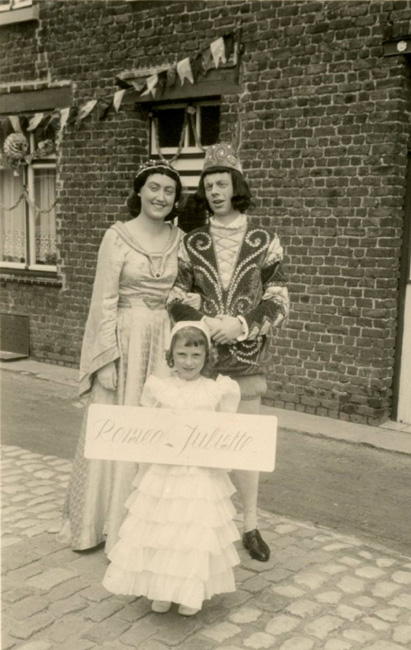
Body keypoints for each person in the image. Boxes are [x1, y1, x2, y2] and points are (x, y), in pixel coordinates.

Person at [59, 159, 199, 553]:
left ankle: (145, 530)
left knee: (154, 428)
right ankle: (97, 527)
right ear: (139, 191)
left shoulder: (181, 239)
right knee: (113, 429)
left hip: (163, 342)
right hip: (122, 339)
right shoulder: (117, 237)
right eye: (154, 187)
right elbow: (103, 299)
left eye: (169, 191)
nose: (160, 196)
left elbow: (187, 294)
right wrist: (105, 358)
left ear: (176, 200)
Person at [168, 143, 289, 562]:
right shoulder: (192, 242)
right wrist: (202, 325)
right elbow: (177, 294)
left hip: (247, 358)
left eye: (222, 183)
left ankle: (250, 525)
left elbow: (279, 297)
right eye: (208, 185)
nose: (215, 191)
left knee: (245, 446)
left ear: (236, 186)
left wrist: (239, 325)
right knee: (203, 446)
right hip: (201, 362)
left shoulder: (265, 240)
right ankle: (205, 526)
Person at [102, 321, 241, 616]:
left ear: (207, 357)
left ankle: (189, 591)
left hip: (199, 475)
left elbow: (227, 431)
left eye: (196, 356)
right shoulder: (160, 389)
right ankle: (162, 588)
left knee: (192, 532)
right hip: (165, 472)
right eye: (181, 355)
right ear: (171, 356)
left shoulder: (217, 391)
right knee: (162, 528)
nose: (188, 363)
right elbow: (147, 428)